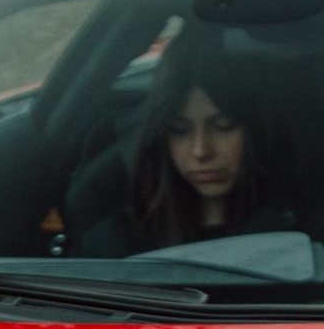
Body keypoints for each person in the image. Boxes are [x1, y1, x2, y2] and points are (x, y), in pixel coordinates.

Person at [90, 26, 309, 255]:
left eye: (223, 126)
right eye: (180, 130)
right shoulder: (118, 242)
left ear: (256, 130)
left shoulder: (301, 233)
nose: (201, 151)